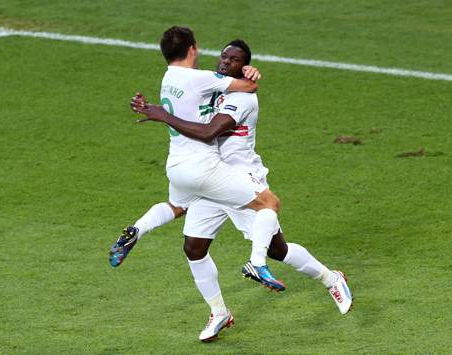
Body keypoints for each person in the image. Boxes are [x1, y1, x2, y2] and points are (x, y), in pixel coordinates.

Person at [119, 39, 354, 341]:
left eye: (233, 60)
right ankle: (219, 313)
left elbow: (208, 133)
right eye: (223, 56)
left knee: (278, 249)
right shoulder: (217, 86)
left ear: (243, 66)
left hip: (242, 178)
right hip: (213, 178)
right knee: (193, 247)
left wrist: (162, 115)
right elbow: (191, 93)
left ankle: (330, 278)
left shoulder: (242, 99)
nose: (223, 62)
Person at [111, 26, 287, 293]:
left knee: (176, 207)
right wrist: (251, 73)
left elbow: (210, 87)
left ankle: (137, 228)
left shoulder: (169, 78)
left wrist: (155, 111)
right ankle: (256, 263)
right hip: (204, 167)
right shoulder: (199, 78)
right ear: (193, 48)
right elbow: (248, 86)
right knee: (269, 203)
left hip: (176, 166)